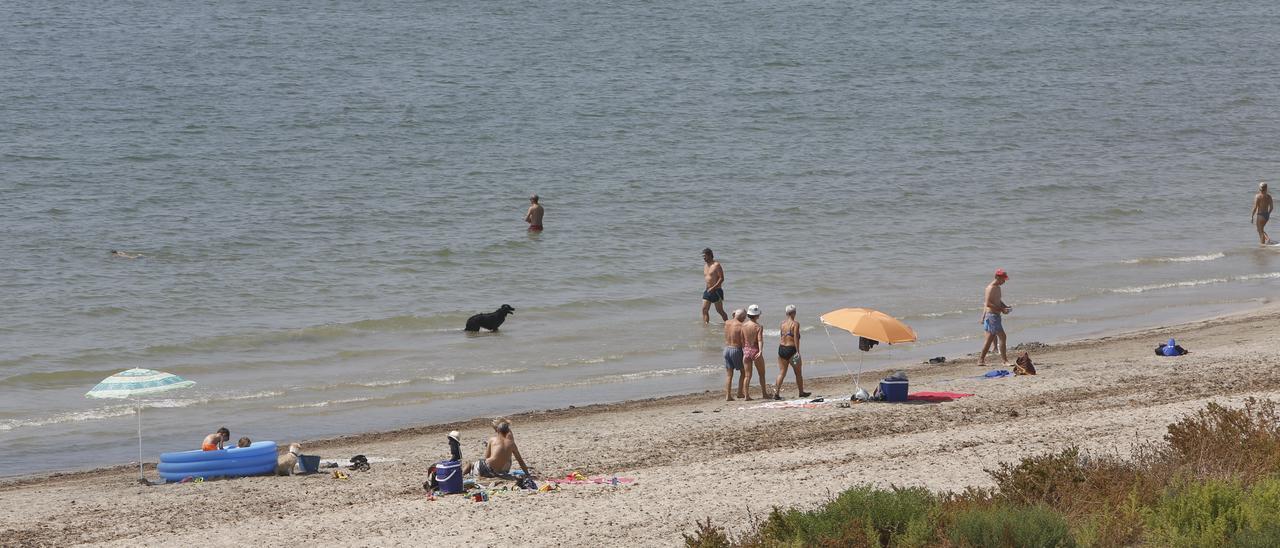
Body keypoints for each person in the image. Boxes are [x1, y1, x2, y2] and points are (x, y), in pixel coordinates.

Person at [463, 418, 531, 478]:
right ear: (507, 431)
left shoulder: (492, 440)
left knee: (470, 464)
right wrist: (527, 474)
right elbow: (520, 461)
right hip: (497, 473)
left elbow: (486, 458)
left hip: (485, 469)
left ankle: (462, 474)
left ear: (498, 430)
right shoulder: (512, 443)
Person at [773, 304, 810, 399]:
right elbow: (796, 338)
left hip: (781, 349)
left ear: (786, 313)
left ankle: (776, 393)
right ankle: (801, 392)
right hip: (791, 350)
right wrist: (798, 351)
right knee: (798, 373)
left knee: (782, 372)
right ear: (794, 313)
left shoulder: (782, 324)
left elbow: (782, 336)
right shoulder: (795, 324)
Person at [979, 269, 1012, 366]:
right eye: (1003, 279)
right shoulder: (990, 288)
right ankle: (1005, 361)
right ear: (997, 277)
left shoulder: (998, 287)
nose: (1004, 281)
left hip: (996, 315)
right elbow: (988, 303)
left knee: (989, 340)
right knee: (1003, 337)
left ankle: (980, 360)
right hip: (992, 316)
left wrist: (1005, 306)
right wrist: (1002, 309)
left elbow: (998, 300)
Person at [741, 304, 769, 400]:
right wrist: (760, 350)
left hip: (746, 350)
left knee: (747, 375)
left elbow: (742, 340)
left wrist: (744, 349)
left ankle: (746, 395)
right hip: (755, 350)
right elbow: (760, 340)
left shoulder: (743, 326)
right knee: (761, 374)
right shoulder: (758, 326)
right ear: (757, 315)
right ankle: (764, 394)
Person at [723, 309, 745, 401]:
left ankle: (728, 395)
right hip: (736, 350)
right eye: (744, 317)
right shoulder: (741, 325)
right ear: (742, 317)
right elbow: (744, 340)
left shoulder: (727, 322)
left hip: (727, 349)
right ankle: (739, 392)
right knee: (743, 372)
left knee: (729, 374)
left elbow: (733, 318)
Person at [701, 248, 728, 323]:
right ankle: (706, 327)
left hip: (716, 291)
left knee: (720, 311)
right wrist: (707, 289)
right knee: (704, 310)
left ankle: (728, 324)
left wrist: (713, 288)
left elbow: (722, 278)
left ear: (710, 255)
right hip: (707, 290)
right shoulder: (705, 266)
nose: (703, 258)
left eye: (705, 256)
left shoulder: (716, 265)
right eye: (703, 256)